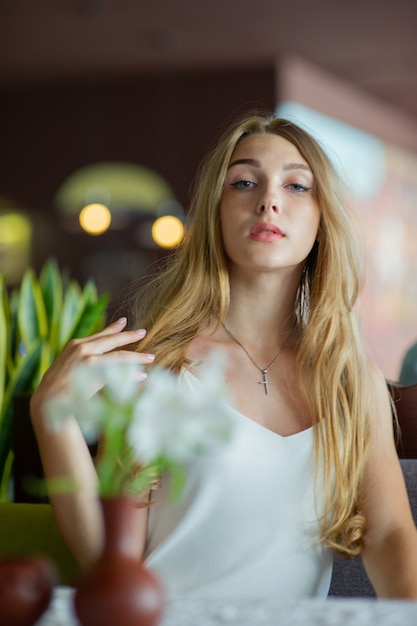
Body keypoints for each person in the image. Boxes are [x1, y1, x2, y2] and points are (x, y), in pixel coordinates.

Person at [30, 112, 417, 600]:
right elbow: (108, 560)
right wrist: (53, 421)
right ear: (216, 211)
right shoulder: (159, 368)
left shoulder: (347, 379)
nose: (269, 200)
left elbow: (389, 536)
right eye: (244, 182)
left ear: (323, 220)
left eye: (297, 186)